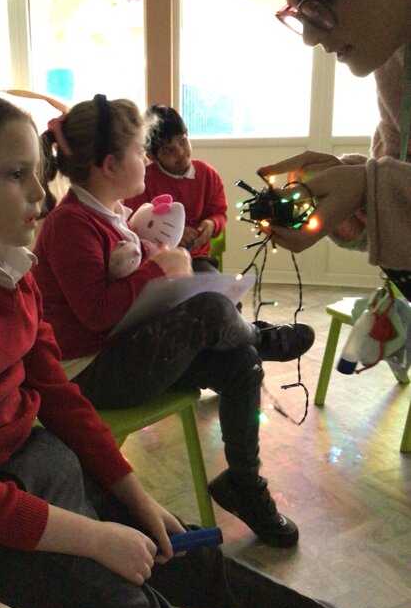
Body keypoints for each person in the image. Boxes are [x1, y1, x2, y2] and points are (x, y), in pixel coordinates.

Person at [0, 82, 364, 608]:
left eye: (36, 172)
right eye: (15, 175)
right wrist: (98, 538)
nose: (40, 194)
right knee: (131, 605)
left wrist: (134, 497)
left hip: (32, 464)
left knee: (184, 554)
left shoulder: (5, 260)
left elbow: (57, 394)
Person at [32, 93, 317, 551]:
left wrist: (165, 272)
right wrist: (159, 269)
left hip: (120, 351)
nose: (146, 160)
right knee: (211, 310)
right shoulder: (70, 224)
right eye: (138, 151)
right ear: (109, 164)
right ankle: (264, 337)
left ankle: (243, 483)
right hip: (89, 373)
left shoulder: (112, 214)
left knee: (241, 362)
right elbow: (97, 314)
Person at [258, 0, 411, 299]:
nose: (311, 37)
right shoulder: (394, 58)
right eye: (300, 14)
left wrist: (368, 189)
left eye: (319, 2)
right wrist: (350, 195)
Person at [124, 105, 227, 273]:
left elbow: (219, 213)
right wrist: (174, 233)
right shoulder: (144, 180)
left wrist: (212, 224)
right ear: (152, 156)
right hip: (156, 260)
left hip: (196, 259)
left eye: (182, 141)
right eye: (168, 150)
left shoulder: (208, 175)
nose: (180, 152)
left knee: (216, 285)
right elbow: (134, 225)